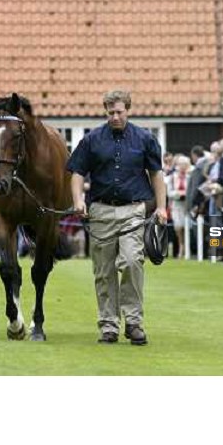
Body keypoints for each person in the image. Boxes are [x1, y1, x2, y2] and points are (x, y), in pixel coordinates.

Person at [67, 90, 166, 345]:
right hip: (100, 210)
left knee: (133, 261)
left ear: (128, 110)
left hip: (134, 210)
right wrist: (78, 200)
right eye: (110, 112)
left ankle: (133, 322)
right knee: (103, 270)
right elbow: (77, 173)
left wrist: (162, 208)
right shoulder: (92, 140)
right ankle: (108, 325)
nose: (114, 116)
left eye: (119, 112)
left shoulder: (145, 139)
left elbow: (156, 174)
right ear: (105, 111)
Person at [167, 155, 191, 259]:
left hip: (187, 205)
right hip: (176, 205)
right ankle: (181, 246)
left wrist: (186, 194)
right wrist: (179, 193)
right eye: (181, 164)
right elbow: (169, 193)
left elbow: (192, 191)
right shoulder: (172, 178)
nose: (183, 167)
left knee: (187, 227)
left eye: (185, 165)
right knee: (178, 226)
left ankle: (185, 247)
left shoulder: (190, 177)